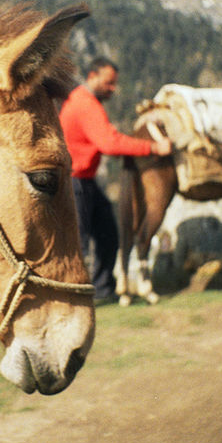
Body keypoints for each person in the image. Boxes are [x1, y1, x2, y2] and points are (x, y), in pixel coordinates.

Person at [59, 58, 172, 302]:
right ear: (93, 76)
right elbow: (109, 143)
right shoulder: (85, 104)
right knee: (78, 241)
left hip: (84, 179)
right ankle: (72, 297)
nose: (113, 89)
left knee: (108, 233)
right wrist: (154, 148)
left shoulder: (86, 102)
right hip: (74, 181)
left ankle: (102, 290)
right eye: (109, 83)